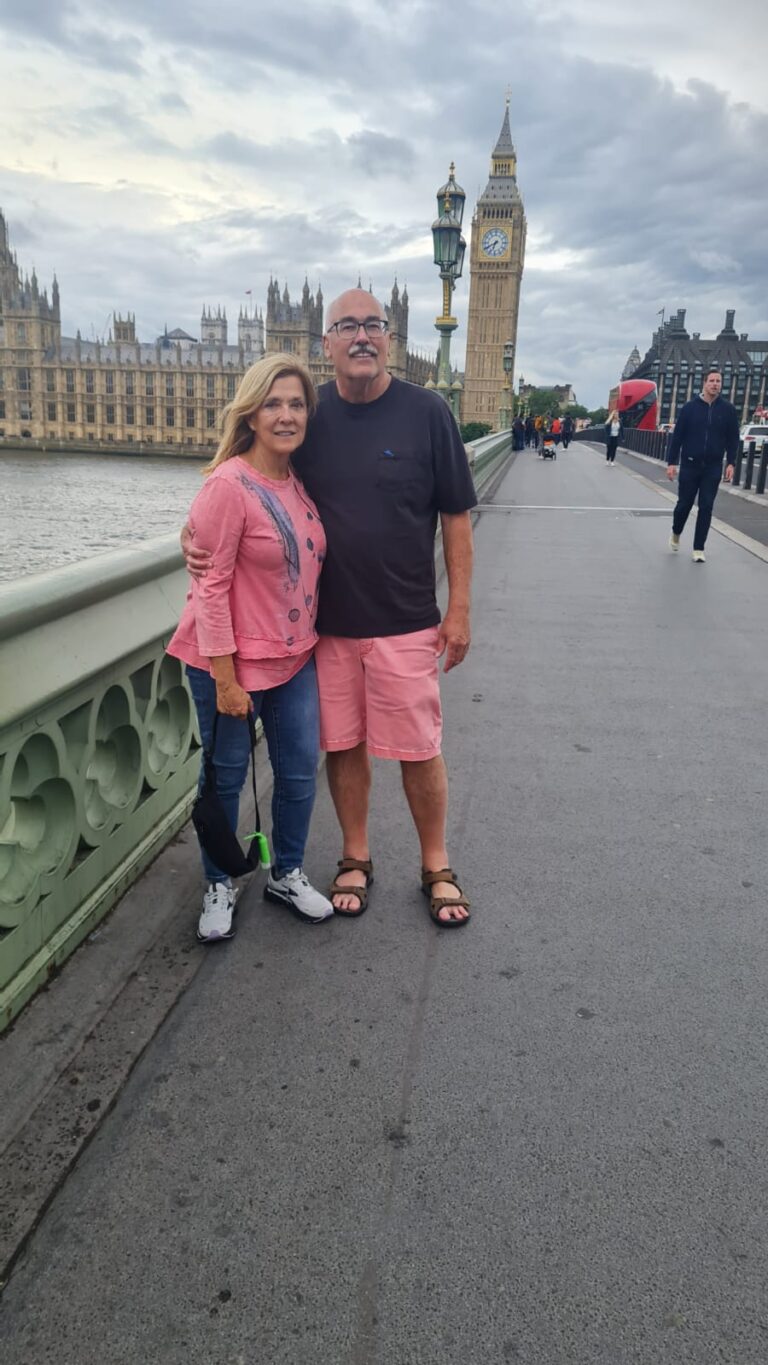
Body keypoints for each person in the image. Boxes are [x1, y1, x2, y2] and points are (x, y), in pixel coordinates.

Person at [184, 289, 476, 927]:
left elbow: (456, 517)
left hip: (405, 619)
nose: (362, 337)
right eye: (347, 327)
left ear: (391, 337)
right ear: (328, 343)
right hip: (326, 630)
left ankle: (436, 864)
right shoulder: (314, 419)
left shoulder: (428, 412)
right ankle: (354, 857)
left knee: (420, 749)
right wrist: (194, 534)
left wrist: (458, 611)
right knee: (343, 748)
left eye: (374, 325)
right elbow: (247, 480)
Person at [168, 353, 334, 942]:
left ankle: (286, 871)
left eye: (296, 404)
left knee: (297, 774)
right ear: (252, 412)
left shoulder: (297, 479)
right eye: (273, 404)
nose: (286, 415)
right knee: (226, 779)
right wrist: (225, 678)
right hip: (231, 664)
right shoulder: (228, 484)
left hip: (295, 657)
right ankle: (219, 881)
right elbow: (209, 587)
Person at [666, 367, 738, 561]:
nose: (715, 384)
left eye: (718, 381)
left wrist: (731, 463)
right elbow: (678, 437)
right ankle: (676, 532)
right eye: (712, 381)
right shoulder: (690, 408)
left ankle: (699, 548)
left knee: (706, 506)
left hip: (713, 466)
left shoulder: (728, 410)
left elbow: (733, 439)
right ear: (704, 383)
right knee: (684, 505)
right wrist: (671, 462)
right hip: (690, 464)